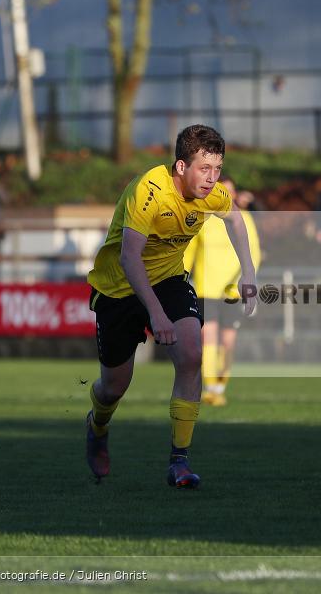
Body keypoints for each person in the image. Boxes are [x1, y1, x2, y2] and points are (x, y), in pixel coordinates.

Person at [84, 125, 257, 489]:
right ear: (181, 166)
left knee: (192, 353)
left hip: (168, 281)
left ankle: (180, 460)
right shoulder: (149, 191)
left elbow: (235, 219)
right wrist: (156, 313)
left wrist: (249, 272)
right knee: (114, 387)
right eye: (204, 168)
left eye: (217, 169)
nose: (212, 178)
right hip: (119, 287)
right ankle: (97, 425)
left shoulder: (211, 194)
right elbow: (130, 258)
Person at [184, 177, 262, 407]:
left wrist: (245, 281)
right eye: (221, 191)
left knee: (228, 341)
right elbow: (188, 252)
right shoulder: (202, 218)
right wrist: (178, 277)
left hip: (232, 291)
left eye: (230, 191)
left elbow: (254, 253)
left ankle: (220, 385)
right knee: (207, 338)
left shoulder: (244, 218)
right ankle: (210, 388)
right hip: (206, 287)